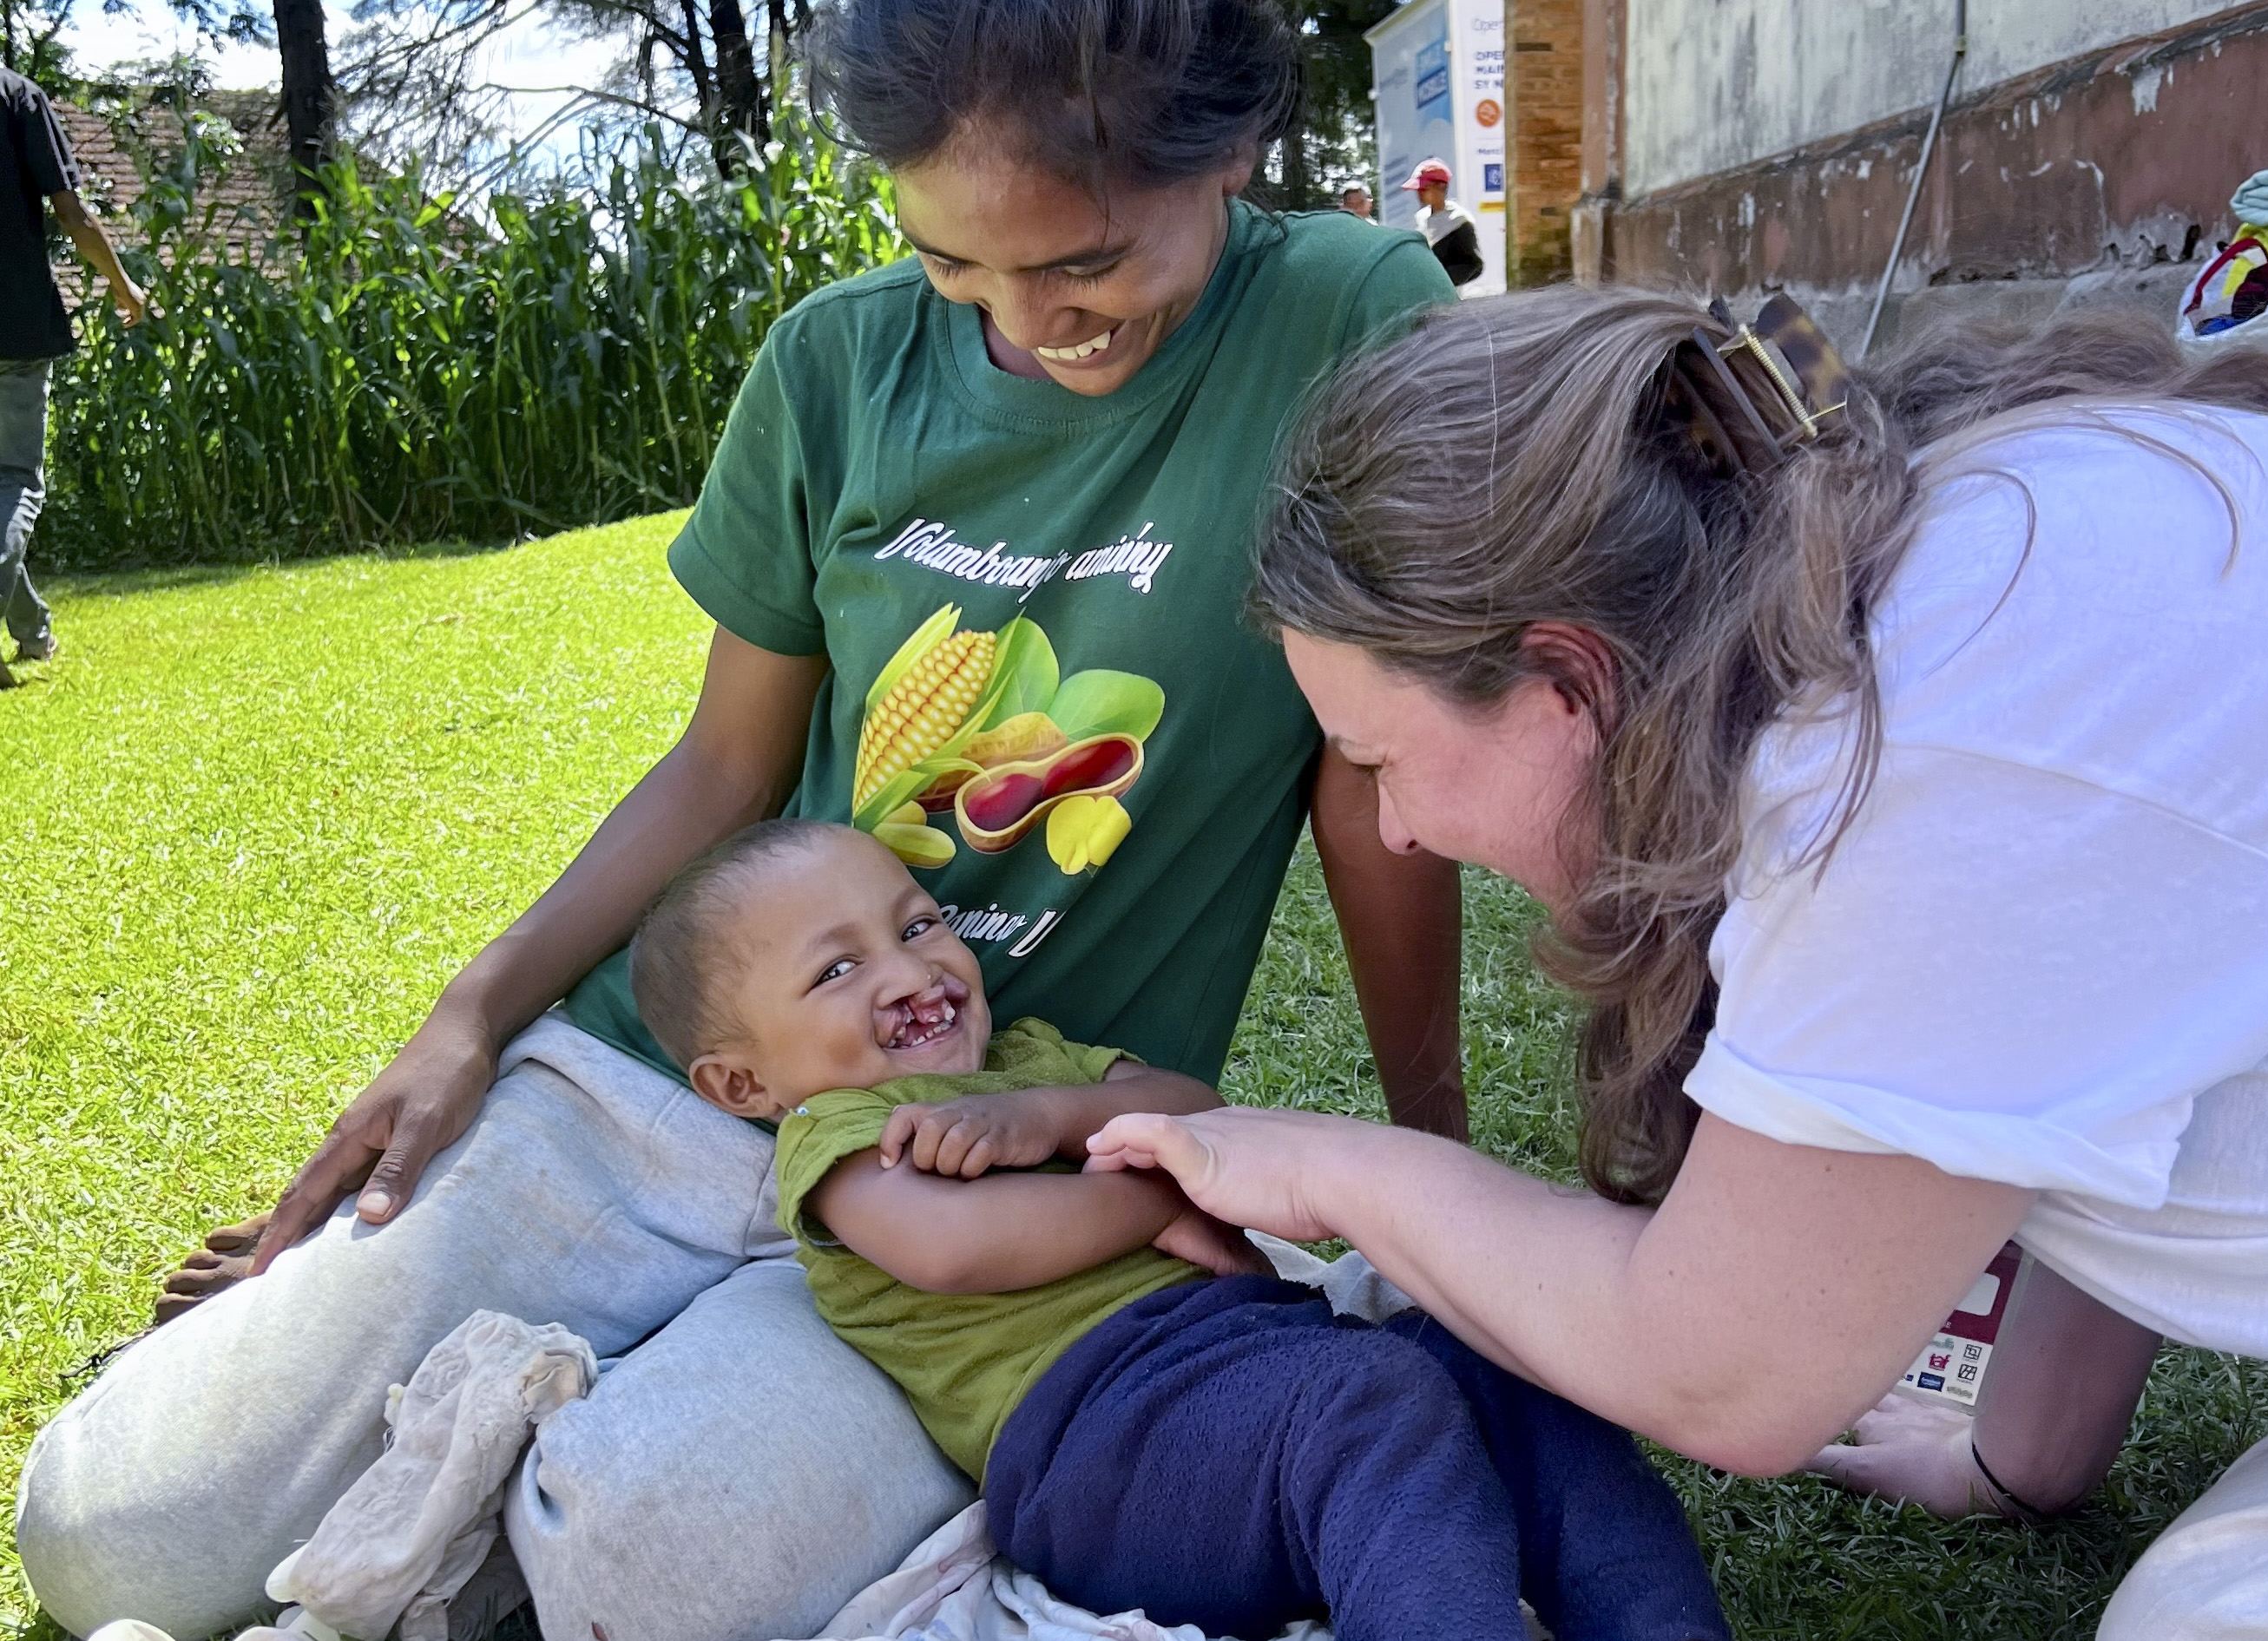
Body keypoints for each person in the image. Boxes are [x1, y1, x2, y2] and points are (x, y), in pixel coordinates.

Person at [12, 0, 1465, 1632]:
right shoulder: (833, 361)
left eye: (1084, 265)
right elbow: (724, 770)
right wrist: (469, 1018)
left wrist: (1435, 1171)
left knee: (660, 1565)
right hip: (670, 1083)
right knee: (107, 1534)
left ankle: (530, 1435)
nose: (1024, 319)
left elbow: (1373, 778)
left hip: (983, 1176)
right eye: (953, 266)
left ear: (1236, 151)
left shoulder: (1349, 319)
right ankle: (420, 1373)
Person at [1082, 286, 2268, 1638]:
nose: (1395, 825)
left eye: (1381, 758)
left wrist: (1332, 1164)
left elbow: (1723, 1368)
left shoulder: (1910, 751)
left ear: (1570, 681)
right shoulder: (1953, 546)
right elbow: (2100, 1025)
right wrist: (2024, 1447)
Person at [629, 817, 1730, 1641]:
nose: (911, 970)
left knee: (1497, 1364)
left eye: (917, 924)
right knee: (1376, 1402)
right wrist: (1170, 1195)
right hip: (1100, 1449)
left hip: (1261, 1381)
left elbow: (1203, 1112)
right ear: (740, 1081)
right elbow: (958, 1247)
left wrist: (1049, 1113)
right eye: (838, 968)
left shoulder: (1030, 1061)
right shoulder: (836, 1134)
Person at [0, 66, 148, 689]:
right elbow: (71, 213)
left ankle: (34, 632)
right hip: (16, 326)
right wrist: (124, 284)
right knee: (14, 481)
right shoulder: (18, 97)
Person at [1409, 158, 1481, 287]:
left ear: (1441, 187)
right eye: (1417, 189)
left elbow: (1474, 265)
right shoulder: (1421, 219)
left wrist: (1440, 281)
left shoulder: (1459, 221)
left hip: (1453, 298)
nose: (1418, 193)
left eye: (1424, 188)